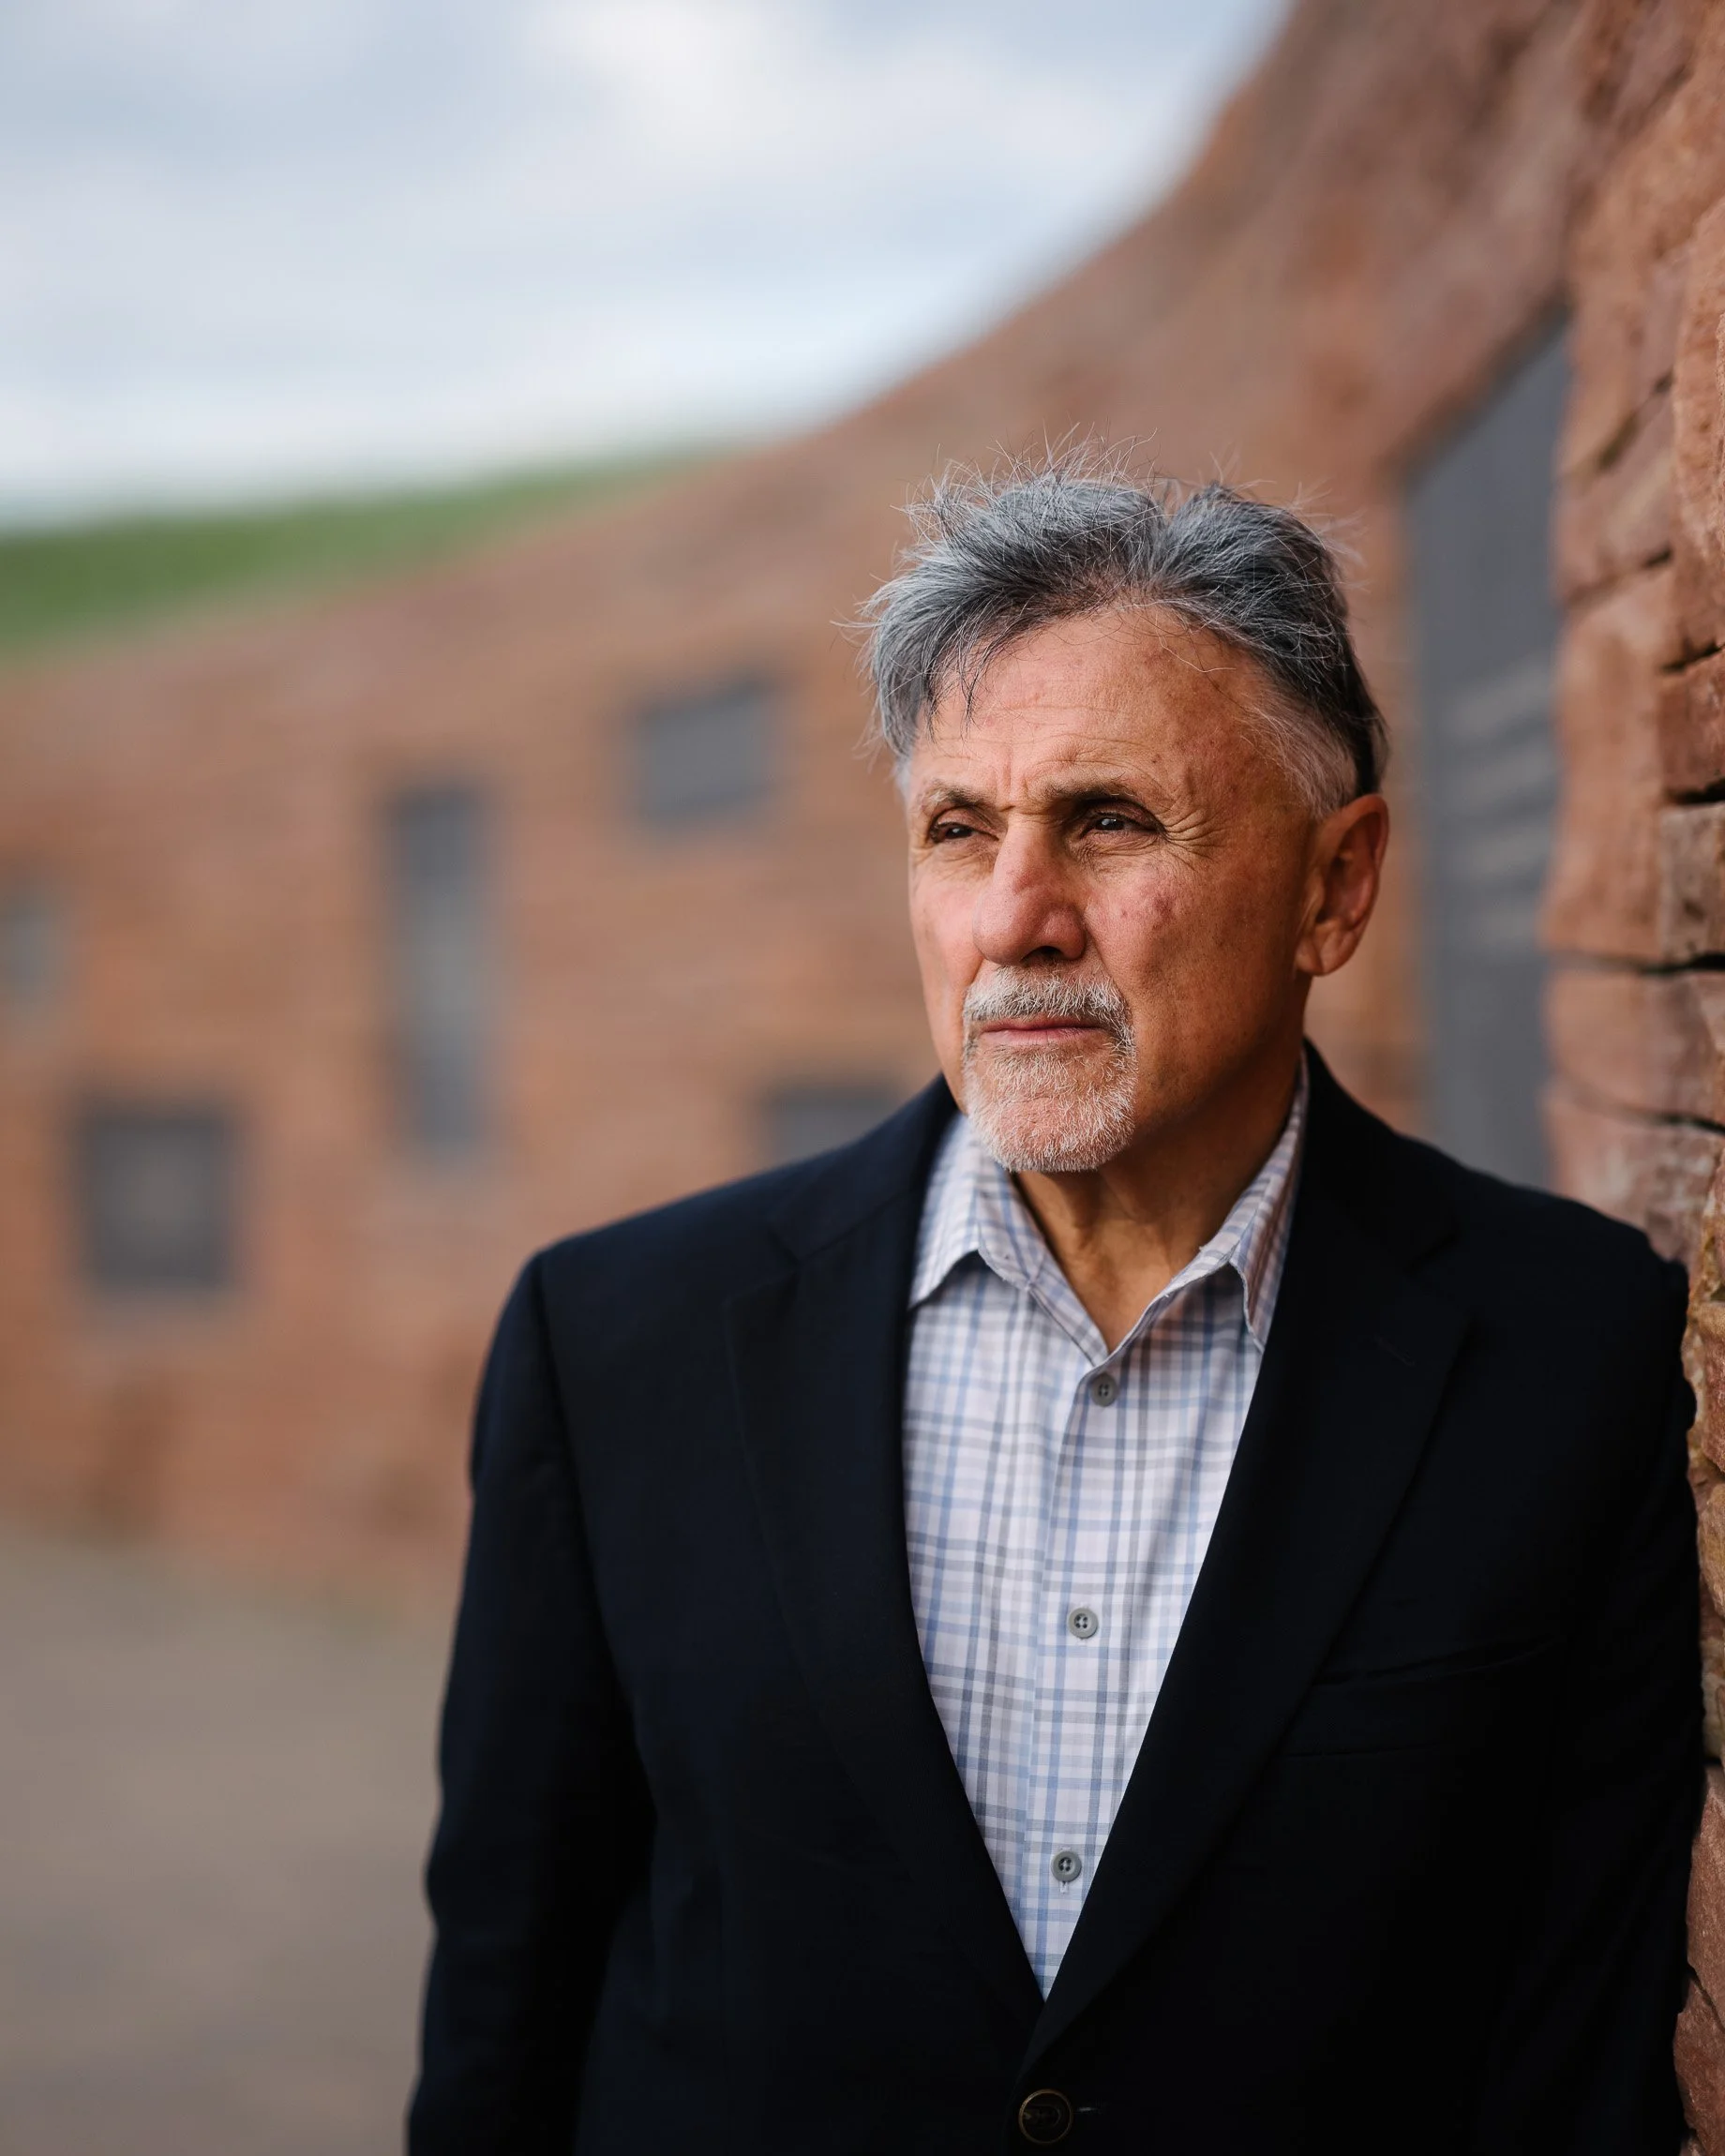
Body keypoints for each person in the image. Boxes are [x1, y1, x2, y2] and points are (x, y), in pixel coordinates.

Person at [409, 456, 1700, 2155]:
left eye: (1108, 819)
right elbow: (511, 1989)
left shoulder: (1565, 1349)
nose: (1015, 919)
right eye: (960, 829)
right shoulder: (620, 1341)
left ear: (1337, 885)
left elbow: (1572, 2053)